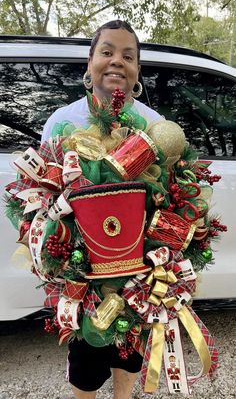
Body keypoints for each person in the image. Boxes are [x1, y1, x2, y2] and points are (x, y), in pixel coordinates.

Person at [42, 20, 163, 399]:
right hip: (83, 274)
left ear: (138, 70)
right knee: (86, 364)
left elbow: (171, 198)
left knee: (130, 355)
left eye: (128, 56)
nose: (117, 62)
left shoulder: (154, 126)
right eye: (107, 51)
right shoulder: (62, 122)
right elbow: (40, 196)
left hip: (138, 271)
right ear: (90, 61)